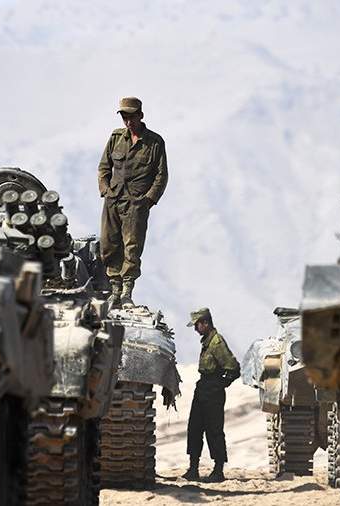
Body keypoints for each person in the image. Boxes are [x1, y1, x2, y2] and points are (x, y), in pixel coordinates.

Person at [97, 96, 168, 308]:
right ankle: (114, 288)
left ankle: (126, 291)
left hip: (136, 203)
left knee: (132, 247)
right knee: (108, 244)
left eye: (131, 117)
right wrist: (105, 190)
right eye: (124, 117)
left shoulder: (154, 142)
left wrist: (148, 200)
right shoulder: (116, 138)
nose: (128, 121)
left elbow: (161, 176)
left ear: (140, 116)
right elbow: (104, 167)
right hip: (113, 200)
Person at [182, 307, 240, 483]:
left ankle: (218, 470)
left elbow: (233, 368)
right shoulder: (207, 341)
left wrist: (219, 385)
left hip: (212, 390)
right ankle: (193, 469)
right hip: (203, 388)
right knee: (194, 429)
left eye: (197, 325)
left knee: (214, 431)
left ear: (205, 323)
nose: (195, 329)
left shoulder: (216, 342)